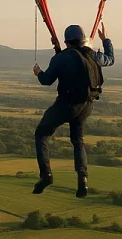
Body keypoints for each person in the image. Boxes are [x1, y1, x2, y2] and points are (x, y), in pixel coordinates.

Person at [32, 23, 114, 198]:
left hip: (67, 104)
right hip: (87, 105)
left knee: (41, 134)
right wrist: (105, 39)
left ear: (67, 41)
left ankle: (45, 175)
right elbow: (110, 59)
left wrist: (38, 72)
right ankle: (83, 180)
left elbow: (46, 80)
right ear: (82, 39)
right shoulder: (92, 55)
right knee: (78, 140)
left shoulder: (61, 58)